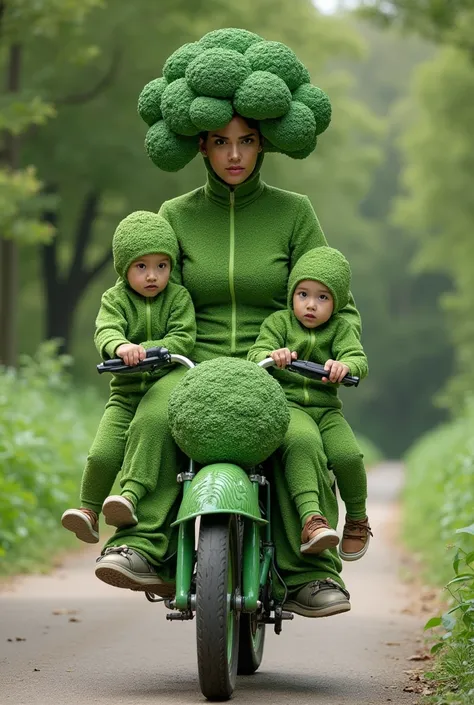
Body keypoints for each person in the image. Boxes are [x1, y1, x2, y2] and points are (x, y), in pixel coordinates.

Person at [93, 28, 362, 618]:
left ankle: (311, 573)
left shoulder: (295, 213)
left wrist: (342, 351)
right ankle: (142, 545)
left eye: (246, 141)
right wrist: (133, 343)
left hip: (278, 367)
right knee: (157, 415)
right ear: (201, 147)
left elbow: (333, 293)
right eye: (221, 142)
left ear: (264, 144)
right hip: (191, 363)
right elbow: (141, 296)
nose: (234, 154)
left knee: (301, 438)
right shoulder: (175, 215)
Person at [61, 211, 196, 544]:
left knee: (146, 428)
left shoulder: (177, 298)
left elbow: (183, 337)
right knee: (102, 453)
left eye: (161, 266)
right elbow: (106, 330)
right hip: (124, 392)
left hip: (164, 386)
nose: (152, 276)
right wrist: (120, 346)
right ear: (124, 267)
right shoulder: (115, 299)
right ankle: (89, 511)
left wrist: (148, 349)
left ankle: (130, 496)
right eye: (141, 267)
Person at [247, 246, 372, 562]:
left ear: (337, 302)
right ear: (292, 295)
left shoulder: (340, 329)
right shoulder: (279, 323)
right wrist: (273, 355)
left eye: (322, 298)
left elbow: (357, 358)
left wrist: (346, 367)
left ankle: (357, 519)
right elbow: (254, 355)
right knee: (302, 443)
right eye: (303, 294)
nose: (311, 305)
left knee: (348, 455)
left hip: (326, 409)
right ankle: (311, 520)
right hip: (290, 407)